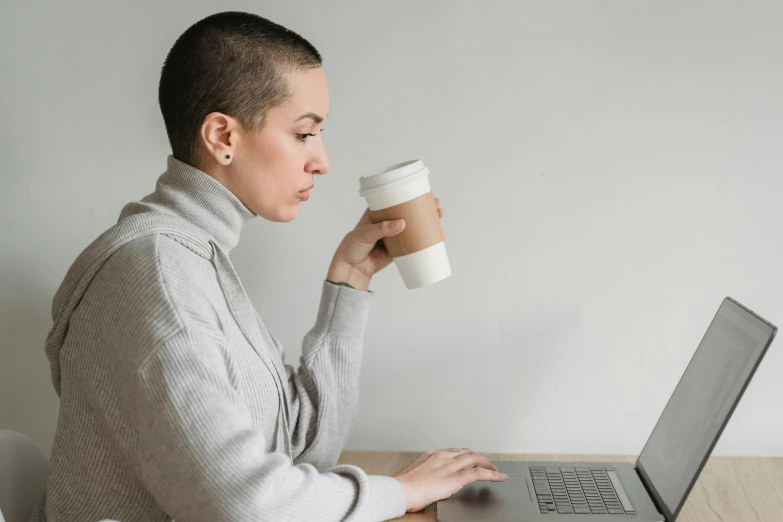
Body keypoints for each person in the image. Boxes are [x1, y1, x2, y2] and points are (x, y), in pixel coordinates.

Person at [31, 11, 507, 522]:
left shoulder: (196, 258)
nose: (322, 161)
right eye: (304, 133)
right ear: (222, 137)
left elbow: (299, 451)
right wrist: (399, 491)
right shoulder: (159, 279)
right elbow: (245, 504)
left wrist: (351, 278)